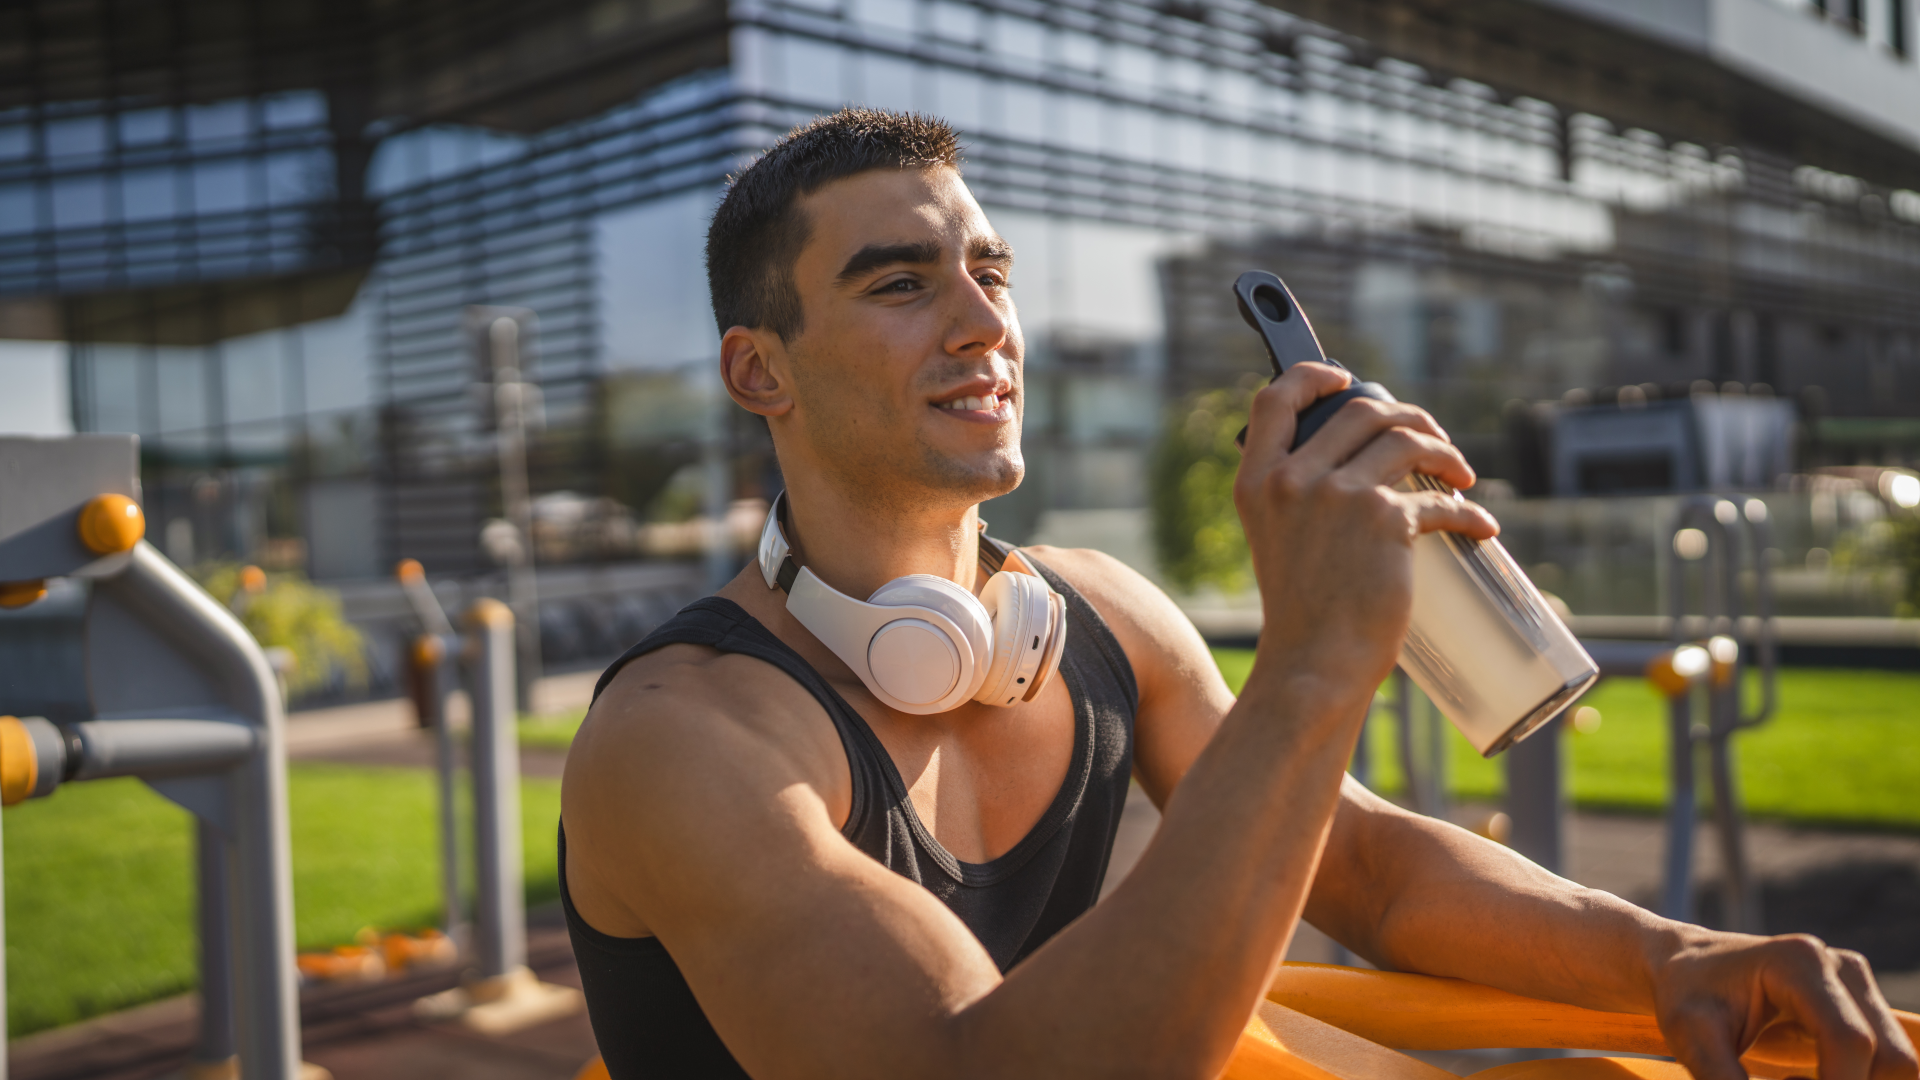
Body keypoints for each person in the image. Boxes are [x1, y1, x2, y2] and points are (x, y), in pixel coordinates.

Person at [559, 107, 1917, 1080]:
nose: (984, 323)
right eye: (902, 284)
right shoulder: (686, 740)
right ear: (760, 374)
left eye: (989, 272)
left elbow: (1371, 871)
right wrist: (1318, 662)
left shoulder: (1095, 609)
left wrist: (1670, 956)